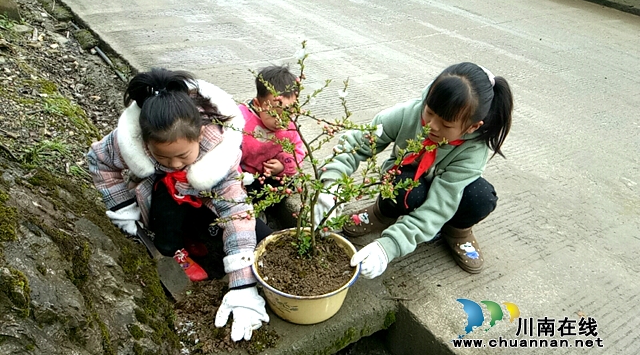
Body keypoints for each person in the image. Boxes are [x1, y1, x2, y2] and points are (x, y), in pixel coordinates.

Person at [87, 68, 270, 341]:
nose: (173, 164)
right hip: (163, 203)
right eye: (162, 156)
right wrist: (124, 209)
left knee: (260, 236)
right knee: (168, 206)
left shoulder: (219, 150)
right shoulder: (130, 140)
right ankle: (172, 249)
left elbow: (235, 213)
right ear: (146, 142)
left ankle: (206, 244)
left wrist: (242, 285)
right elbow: (99, 161)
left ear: (198, 135)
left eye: (183, 155)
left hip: (205, 201)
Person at [315, 62, 513, 279]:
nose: (431, 126)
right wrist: (330, 185)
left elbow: (438, 207)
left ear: (472, 126)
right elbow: (355, 145)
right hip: (408, 179)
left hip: (448, 194)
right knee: (402, 188)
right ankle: (382, 212)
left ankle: (457, 231)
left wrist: (389, 245)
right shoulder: (407, 114)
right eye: (429, 113)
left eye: (446, 125)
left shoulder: (474, 151)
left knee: (480, 197)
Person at [239, 65, 305, 207]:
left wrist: (283, 166)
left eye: (288, 113)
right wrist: (240, 178)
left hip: (270, 176)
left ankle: (264, 207)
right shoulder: (242, 122)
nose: (280, 121)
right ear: (258, 104)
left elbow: (298, 152)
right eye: (274, 114)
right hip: (245, 177)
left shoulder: (290, 128)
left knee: (287, 186)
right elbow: (229, 154)